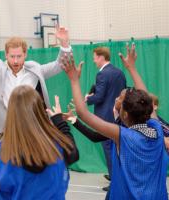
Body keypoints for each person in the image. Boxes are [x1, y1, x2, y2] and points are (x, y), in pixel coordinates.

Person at [0, 5, 75, 138]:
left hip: (30, 131)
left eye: (19, 56)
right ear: (6, 54)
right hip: (0, 130)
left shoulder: (35, 70)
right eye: (12, 56)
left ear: (25, 54)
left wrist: (65, 44)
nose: (15, 61)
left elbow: (60, 64)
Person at [63, 44, 168, 199]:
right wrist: (132, 68)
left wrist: (74, 80)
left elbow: (83, 113)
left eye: (118, 99)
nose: (115, 101)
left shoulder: (122, 135)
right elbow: (147, 100)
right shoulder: (156, 129)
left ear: (124, 114)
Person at [0, 85, 78, 199]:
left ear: (11, 114)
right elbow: (73, 152)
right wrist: (59, 121)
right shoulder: (57, 145)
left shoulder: (1, 151)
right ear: (40, 111)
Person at [85, 47, 127, 190]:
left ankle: (115, 181)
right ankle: (115, 174)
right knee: (116, 148)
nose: (94, 60)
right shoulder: (120, 73)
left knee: (109, 148)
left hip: (104, 118)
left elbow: (100, 96)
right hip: (118, 117)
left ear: (101, 57)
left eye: (95, 57)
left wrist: (88, 98)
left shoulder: (102, 74)